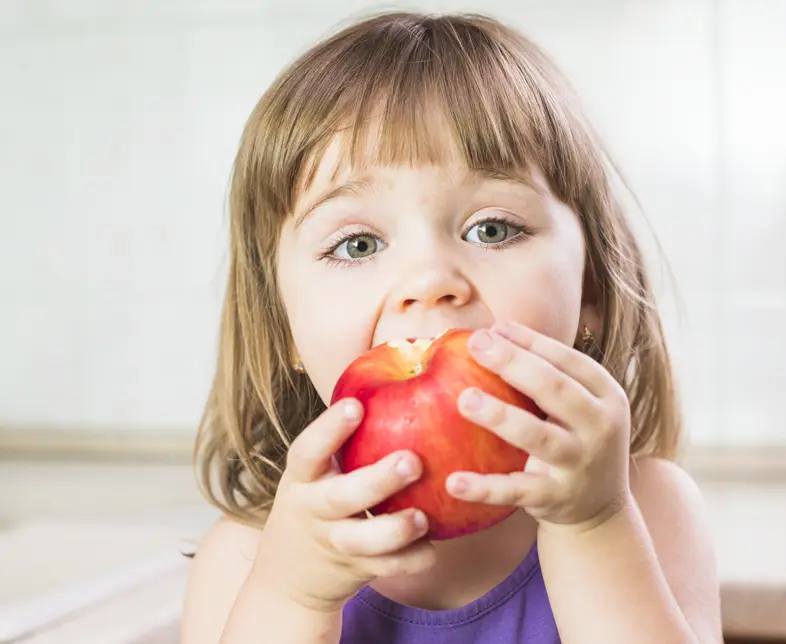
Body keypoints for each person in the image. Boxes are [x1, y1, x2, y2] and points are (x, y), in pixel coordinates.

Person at [180, 11, 722, 644]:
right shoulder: (248, 559)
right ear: (284, 330)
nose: (430, 279)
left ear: (591, 289)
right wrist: (293, 597)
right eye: (357, 244)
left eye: (492, 229)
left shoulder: (647, 508)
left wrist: (593, 526)